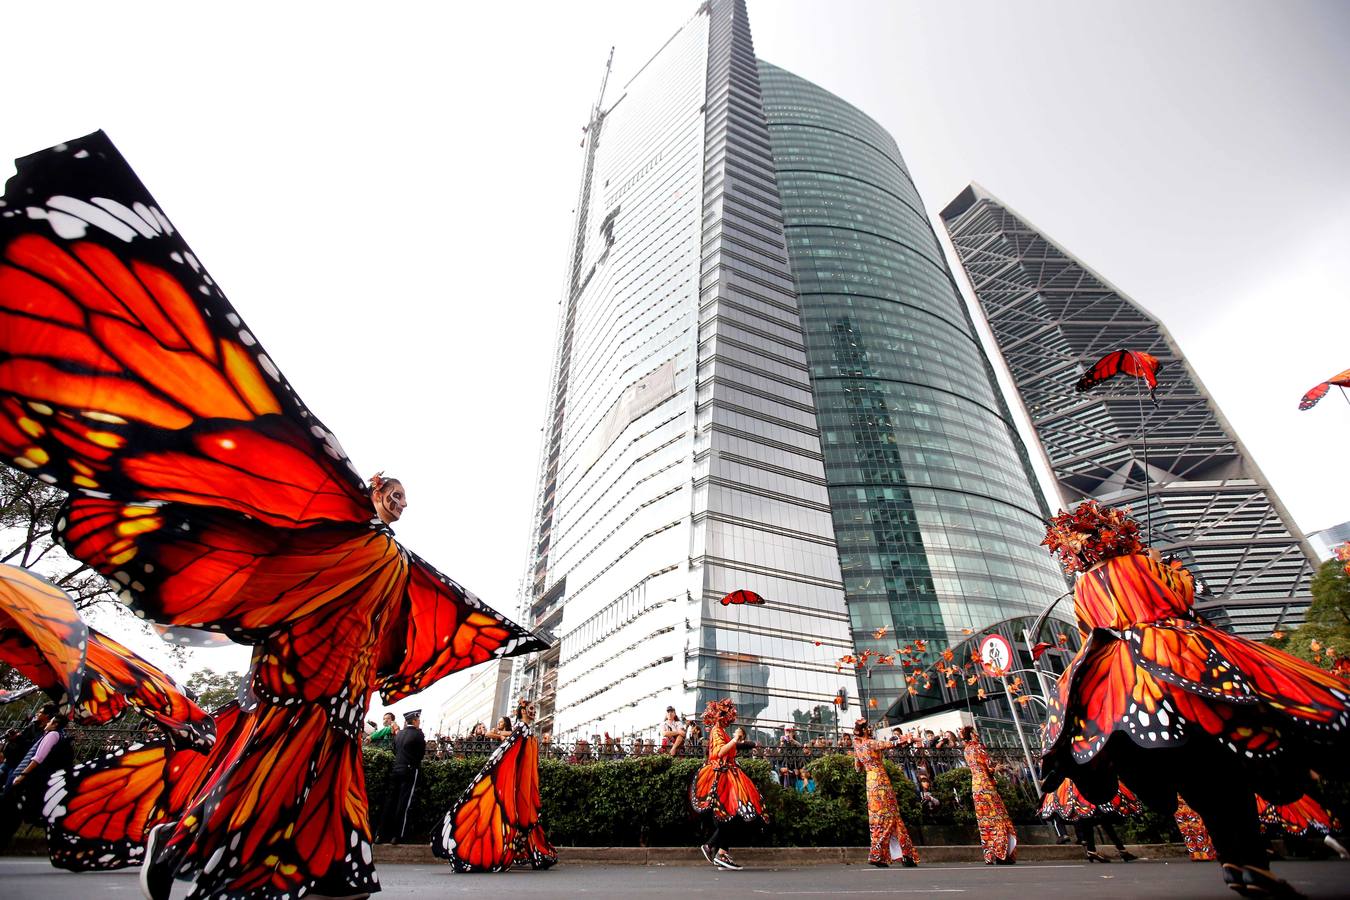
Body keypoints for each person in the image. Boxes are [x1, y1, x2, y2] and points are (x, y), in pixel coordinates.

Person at [0, 134, 546, 900]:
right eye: (388, 495)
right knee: (279, 757)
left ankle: (332, 864)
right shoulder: (327, 520)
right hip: (298, 678)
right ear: (370, 489)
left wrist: (505, 635)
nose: (394, 506)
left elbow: (416, 622)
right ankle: (197, 847)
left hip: (342, 690)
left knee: (327, 758)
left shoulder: (388, 560)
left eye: (400, 502)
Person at [1041, 500, 1350, 898]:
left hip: (1119, 675)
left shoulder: (1083, 584)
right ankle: (1248, 860)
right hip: (1176, 652)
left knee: (1199, 781)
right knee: (1242, 744)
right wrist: (1161, 566)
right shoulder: (1141, 564)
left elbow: (1091, 626)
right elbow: (1180, 598)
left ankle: (1235, 860)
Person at [434, 698, 555, 872]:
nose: (533, 712)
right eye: (530, 708)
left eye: (534, 709)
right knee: (519, 815)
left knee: (525, 816)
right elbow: (507, 749)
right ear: (522, 711)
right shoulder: (521, 728)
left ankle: (526, 852)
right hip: (518, 783)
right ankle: (523, 852)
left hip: (524, 781)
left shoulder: (527, 730)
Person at [690, 698, 765, 870]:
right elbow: (718, 752)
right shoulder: (717, 731)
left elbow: (733, 747)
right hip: (722, 776)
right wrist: (735, 739)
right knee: (734, 814)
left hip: (727, 774)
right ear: (719, 716)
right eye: (725, 713)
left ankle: (716, 849)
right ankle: (718, 851)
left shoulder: (721, 731)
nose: (729, 716)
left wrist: (751, 743)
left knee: (733, 814)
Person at [0, 712, 72, 849]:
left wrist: (22, 775)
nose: (47, 724)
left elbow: (38, 757)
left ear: (55, 724)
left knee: (10, 807)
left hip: (26, 775)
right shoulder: (51, 734)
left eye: (50, 721)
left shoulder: (53, 735)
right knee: (12, 808)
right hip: (26, 775)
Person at [853, 718, 918, 868]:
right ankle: (903, 855)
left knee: (878, 818)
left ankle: (881, 854)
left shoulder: (858, 747)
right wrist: (907, 739)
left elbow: (857, 768)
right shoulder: (870, 743)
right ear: (864, 730)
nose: (869, 730)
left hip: (870, 782)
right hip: (881, 780)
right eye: (867, 728)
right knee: (891, 815)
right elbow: (889, 744)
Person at [1038, 779, 1138, 862]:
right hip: (1082, 790)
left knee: (1095, 820)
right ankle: (1115, 850)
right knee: (1099, 819)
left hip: (1081, 789)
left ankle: (1094, 850)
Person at [961, 725, 1016, 865]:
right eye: (975, 732)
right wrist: (998, 768)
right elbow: (989, 767)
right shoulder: (978, 747)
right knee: (997, 817)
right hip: (986, 784)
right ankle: (1001, 852)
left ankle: (991, 853)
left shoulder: (966, 750)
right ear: (972, 735)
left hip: (976, 785)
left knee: (984, 821)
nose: (977, 734)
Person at [377, 709, 427, 844]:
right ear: (415, 721)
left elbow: (394, 749)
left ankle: (381, 834)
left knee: (390, 801)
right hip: (410, 769)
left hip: (396, 768)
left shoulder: (399, 734)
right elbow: (421, 754)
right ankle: (398, 835)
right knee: (404, 803)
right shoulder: (418, 734)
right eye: (419, 720)